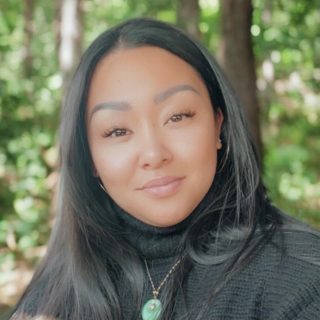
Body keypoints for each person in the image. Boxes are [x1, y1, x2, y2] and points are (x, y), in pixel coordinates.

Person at [10, 18, 320, 320]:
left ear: (218, 125)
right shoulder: (58, 287)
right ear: (89, 158)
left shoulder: (302, 280)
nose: (154, 154)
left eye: (177, 116)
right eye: (117, 131)